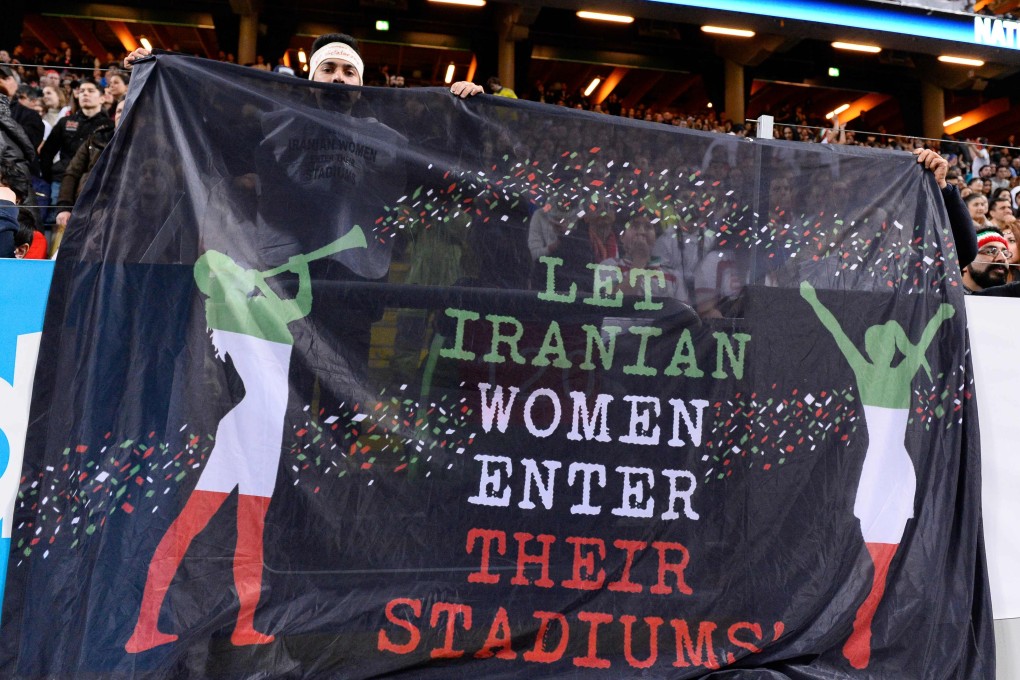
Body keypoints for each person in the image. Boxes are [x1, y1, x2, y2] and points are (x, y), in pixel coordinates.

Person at [125, 227, 368, 653]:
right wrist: (264, 282)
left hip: (263, 431)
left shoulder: (255, 308)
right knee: (191, 524)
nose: (240, 267)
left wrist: (302, 270)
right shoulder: (227, 314)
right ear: (218, 283)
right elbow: (283, 312)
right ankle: (145, 625)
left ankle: (244, 624)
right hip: (248, 429)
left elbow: (301, 307)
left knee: (250, 532)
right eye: (229, 268)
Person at [800, 280, 955, 669]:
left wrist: (940, 315)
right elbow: (836, 332)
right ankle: (860, 630)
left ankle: (865, 631)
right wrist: (814, 300)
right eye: (878, 342)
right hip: (880, 472)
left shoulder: (892, 372)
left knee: (884, 558)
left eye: (884, 342)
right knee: (872, 559)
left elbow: (842, 333)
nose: (880, 348)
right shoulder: (873, 371)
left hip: (895, 472)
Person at [38, 78, 112, 212]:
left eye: (91, 91)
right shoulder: (65, 122)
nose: (85, 94)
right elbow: (47, 152)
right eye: (82, 91)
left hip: (94, 183)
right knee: (57, 223)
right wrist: (49, 176)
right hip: (61, 181)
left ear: (102, 98)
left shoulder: (109, 126)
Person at [962, 228, 1010, 292]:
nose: (1002, 258)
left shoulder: (1011, 300)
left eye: (1005, 253)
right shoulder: (947, 298)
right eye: (990, 251)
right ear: (965, 263)